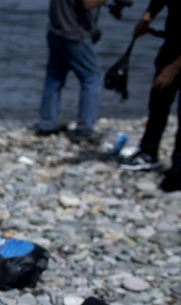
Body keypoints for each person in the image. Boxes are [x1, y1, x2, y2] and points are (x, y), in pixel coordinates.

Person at [118, 0, 181, 191]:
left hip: (176, 61)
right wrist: (146, 18)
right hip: (172, 44)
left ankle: (178, 171)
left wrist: (172, 69)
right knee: (158, 100)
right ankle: (148, 152)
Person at [36, 0, 109, 142]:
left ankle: (47, 124)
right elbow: (87, 3)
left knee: (54, 79)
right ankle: (85, 128)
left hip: (56, 29)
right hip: (74, 33)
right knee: (91, 78)